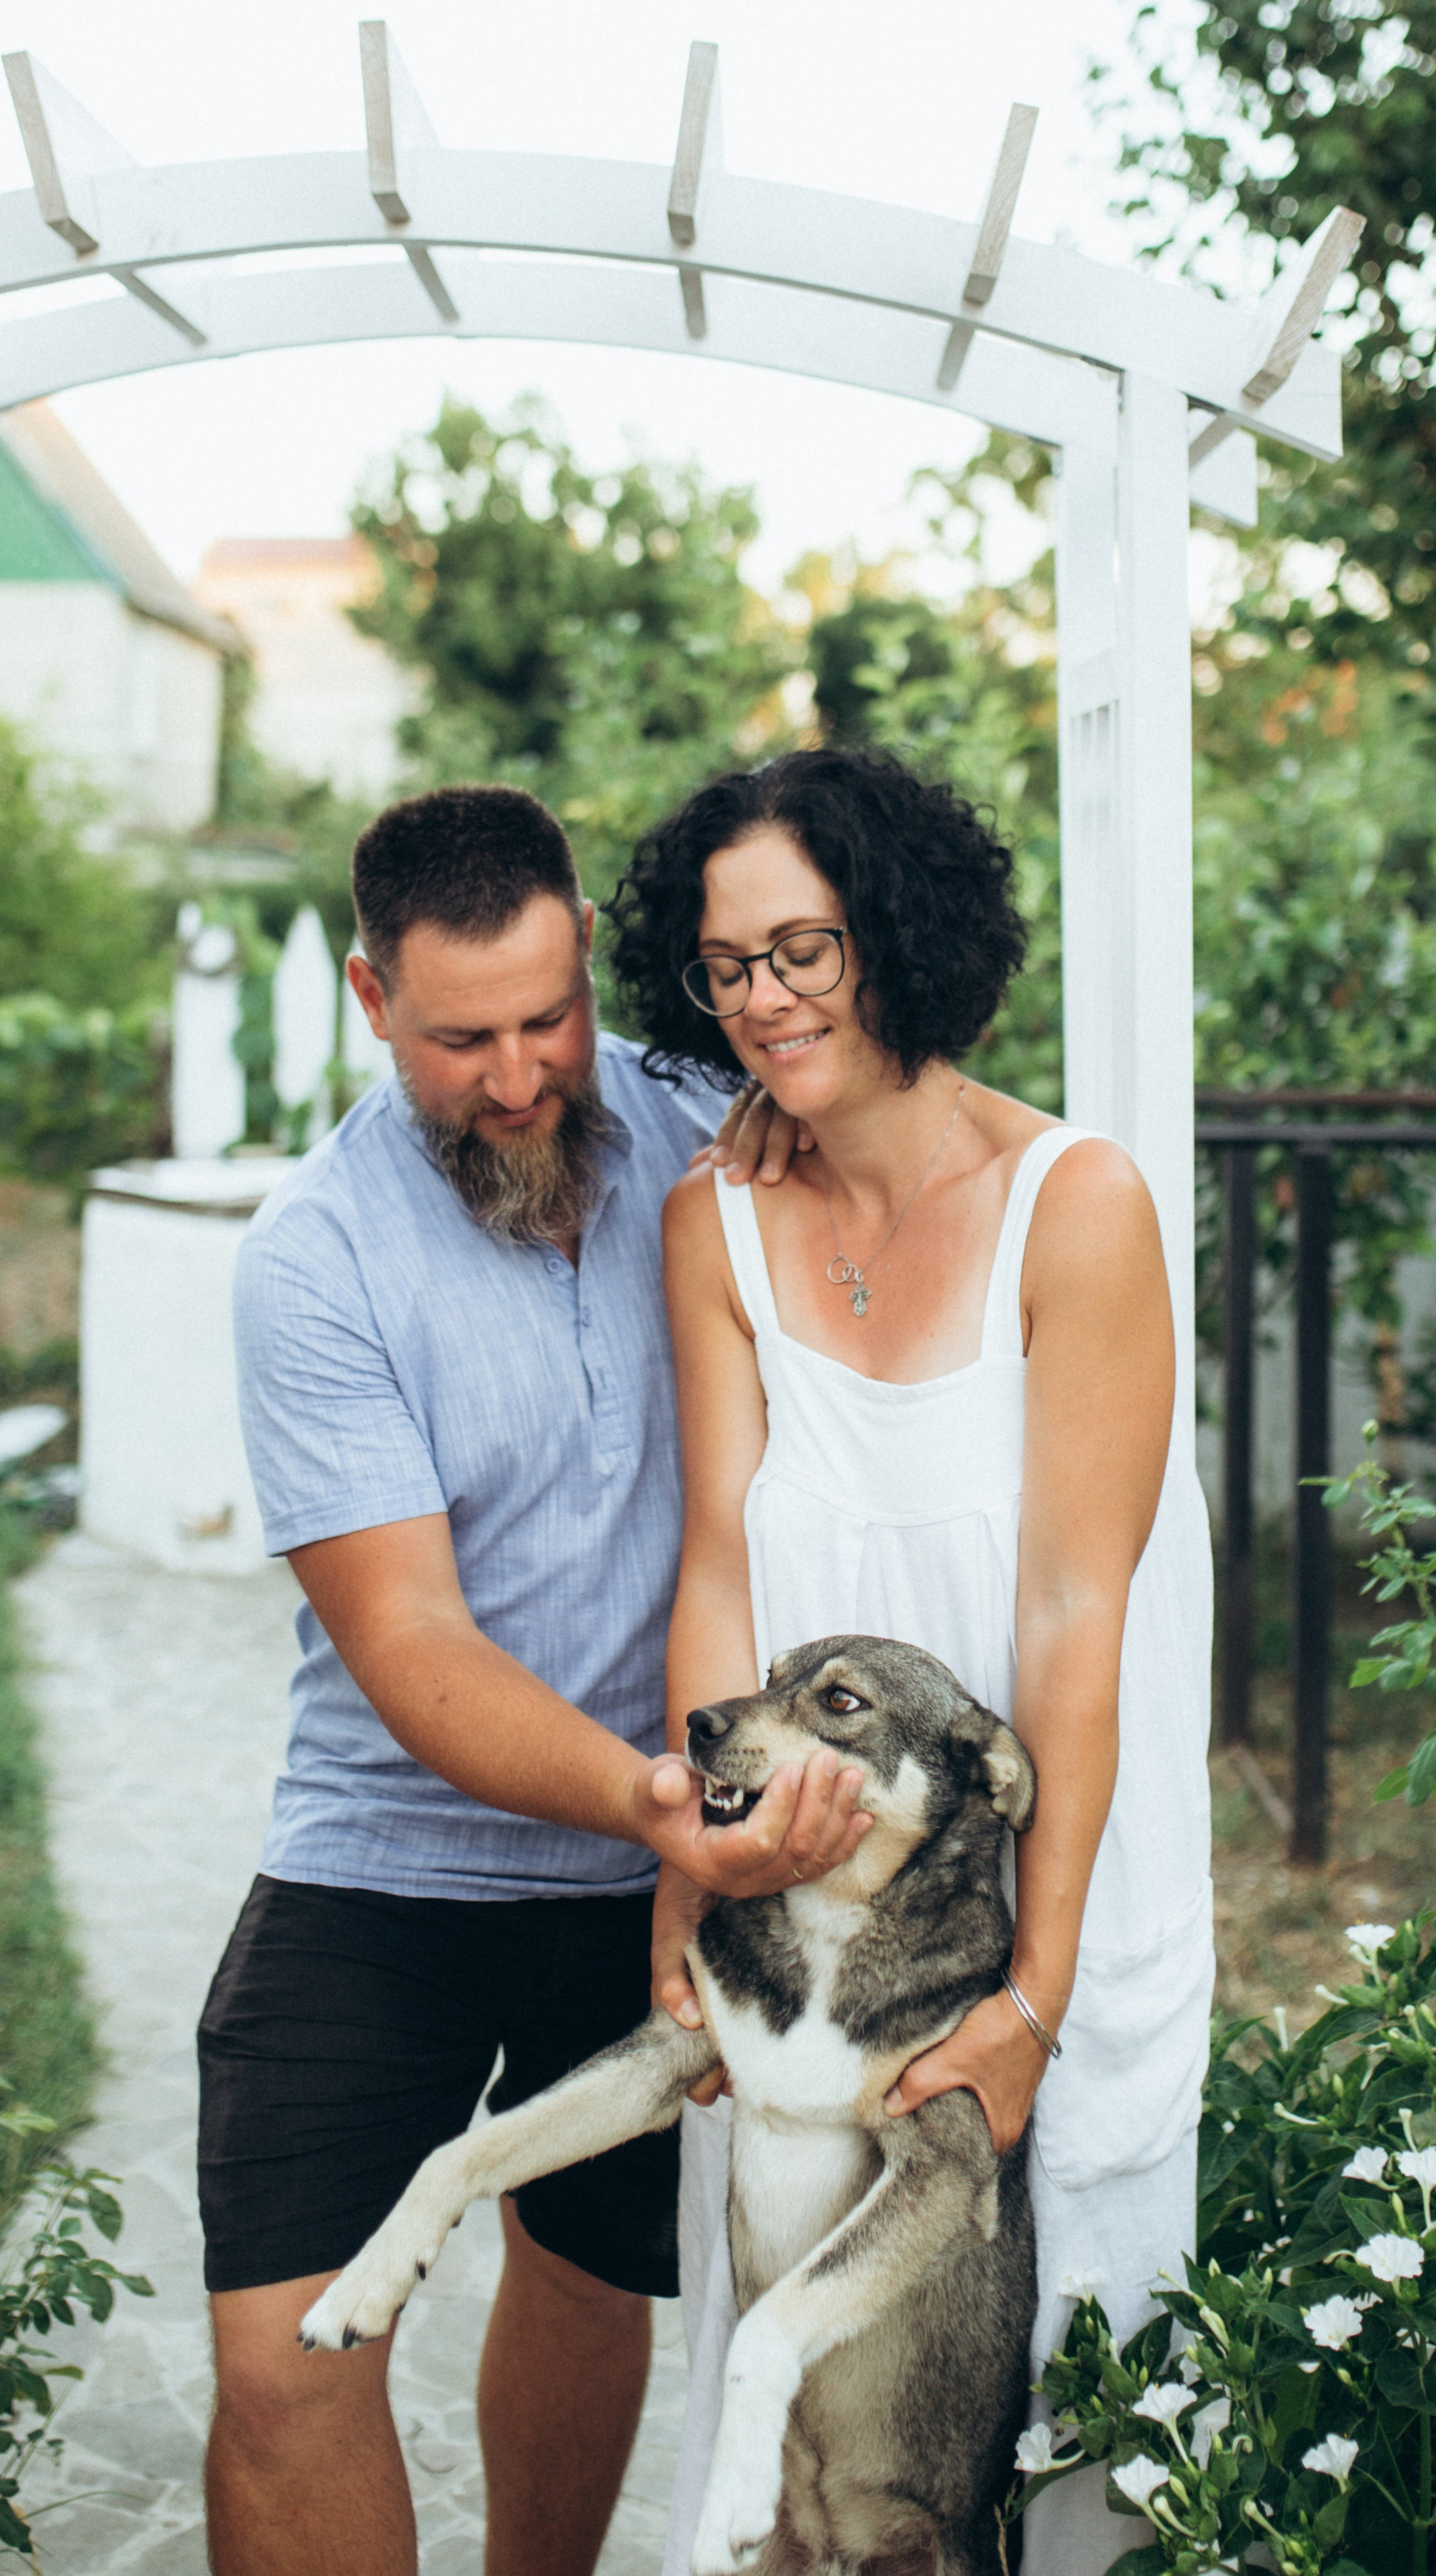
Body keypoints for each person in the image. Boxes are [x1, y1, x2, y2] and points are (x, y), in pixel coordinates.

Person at [200, 782, 871, 2576]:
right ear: (369, 1001)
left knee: (587, 2294)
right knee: (281, 2367)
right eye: (461, 1039)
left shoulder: (714, 1138)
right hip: (383, 1860)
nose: (517, 1077)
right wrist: (662, 1798)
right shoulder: (315, 1258)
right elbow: (410, 1646)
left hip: (653, 1885)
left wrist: (692, 1825)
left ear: (588, 956)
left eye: (548, 1017)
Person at [606, 745, 1215, 2574]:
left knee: (1077, 2430)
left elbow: (1070, 1621)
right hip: (802, 1933)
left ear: (904, 936)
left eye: (805, 948)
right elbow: (718, 1561)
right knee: (803, 2459)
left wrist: (1031, 1999)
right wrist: (689, 1877)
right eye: (728, 965)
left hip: (1059, 1909)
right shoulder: (711, 1222)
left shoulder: (1077, 1206)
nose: (765, 999)